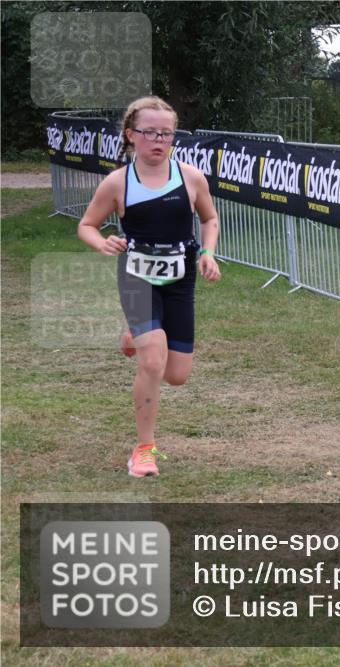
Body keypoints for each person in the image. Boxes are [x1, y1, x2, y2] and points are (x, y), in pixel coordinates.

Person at [78, 96, 221, 478]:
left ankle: (132, 336)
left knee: (177, 374)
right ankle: (144, 449)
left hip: (179, 279)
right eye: (150, 133)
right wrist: (102, 242)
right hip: (137, 276)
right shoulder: (118, 182)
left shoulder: (190, 177)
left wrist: (207, 252)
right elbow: (87, 225)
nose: (159, 141)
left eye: (167, 133)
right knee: (153, 359)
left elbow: (209, 218)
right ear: (131, 135)